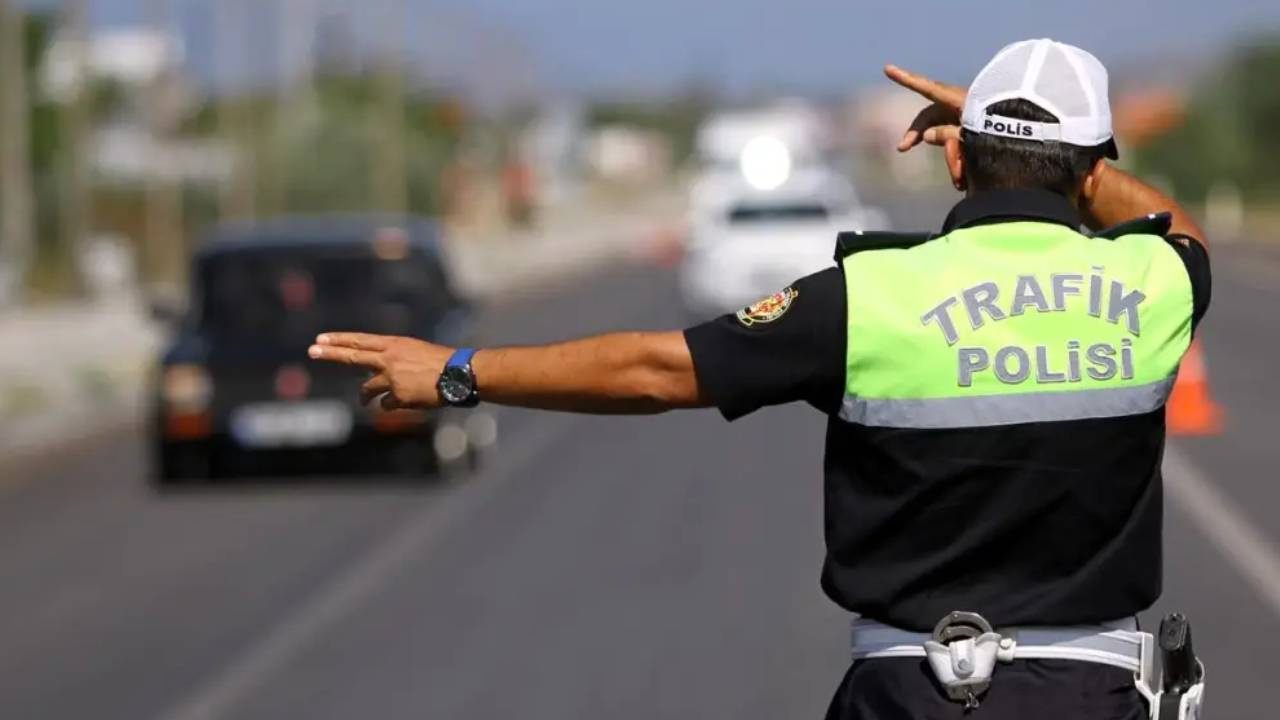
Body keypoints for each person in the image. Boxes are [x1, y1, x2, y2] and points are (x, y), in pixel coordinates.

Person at [310, 39, 1210, 720]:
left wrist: (460, 374)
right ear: (1093, 169)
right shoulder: (1155, 283)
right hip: (1092, 695)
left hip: (908, 693)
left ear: (956, 159)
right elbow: (1176, 226)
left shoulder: (865, 295)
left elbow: (656, 370)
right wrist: (1056, 156)